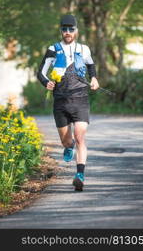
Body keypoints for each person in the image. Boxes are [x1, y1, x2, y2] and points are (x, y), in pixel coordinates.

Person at [37, 14, 99, 191]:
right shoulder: (53, 49)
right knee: (67, 141)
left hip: (81, 99)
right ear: (61, 31)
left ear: (76, 30)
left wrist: (94, 79)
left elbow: (91, 67)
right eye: (64, 29)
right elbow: (40, 72)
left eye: (71, 29)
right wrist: (46, 82)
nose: (67, 32)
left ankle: (79, 175)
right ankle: (68, 146)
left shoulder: (84, 49)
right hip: (60, 101)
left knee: (80, 136)